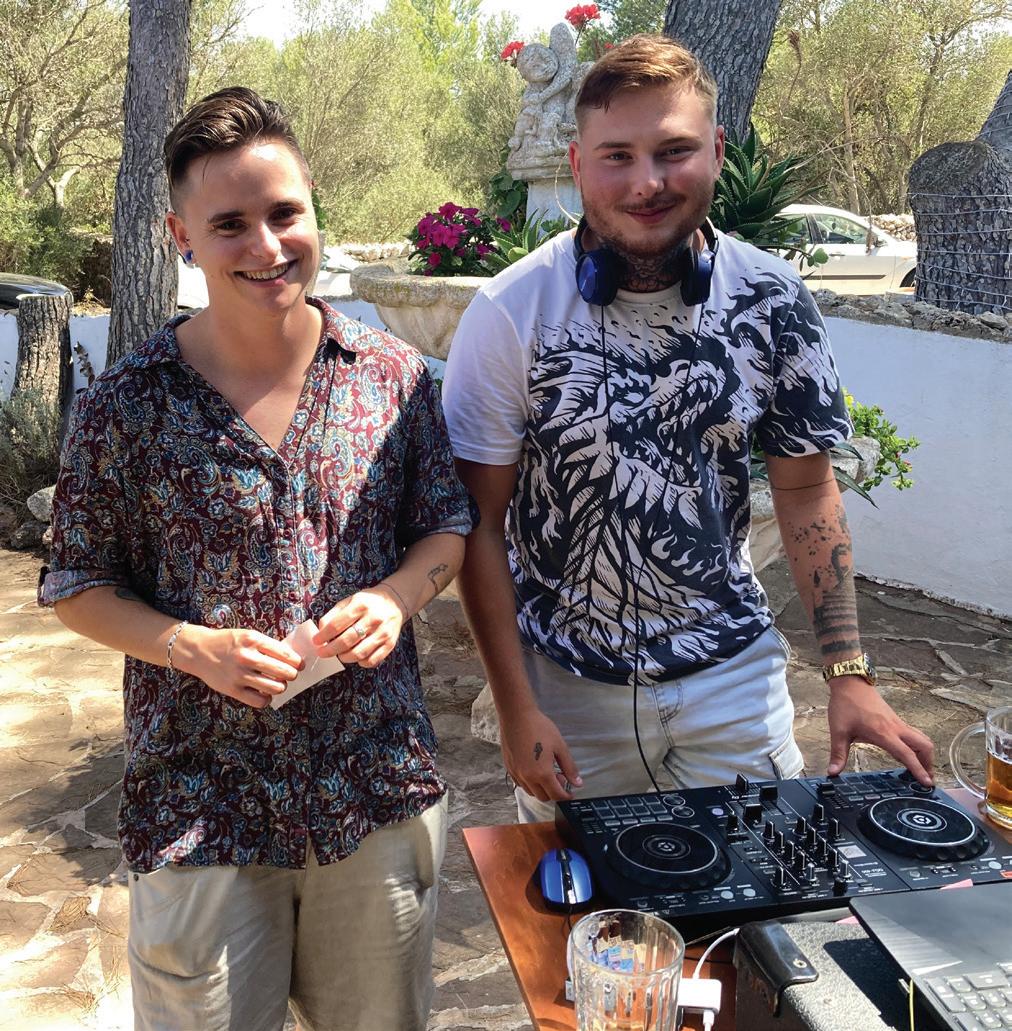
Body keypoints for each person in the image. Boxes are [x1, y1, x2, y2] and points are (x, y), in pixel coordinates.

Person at [39, 87, 473, 1030]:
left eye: (284, 213)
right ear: (181, 237)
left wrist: (398, 598)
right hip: (202, 804)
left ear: (314, 210)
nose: (267, 246)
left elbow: (445, 525)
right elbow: (75, 583)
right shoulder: (126, 405)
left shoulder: (392, 377)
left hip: (375, 791)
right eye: (229, 224)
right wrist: (191, 647)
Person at [442, 35, 934, 826]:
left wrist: (849, 672)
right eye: (618, 156)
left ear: (718, 152)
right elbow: (481, 525)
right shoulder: (509, 313)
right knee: (588, 905)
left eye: (674, 151)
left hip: (734, 683)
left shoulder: (774, 299)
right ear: (577, 166)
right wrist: (515, 705)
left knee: (768, 896)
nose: (647, 182)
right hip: (567, 691)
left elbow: (807, 491)